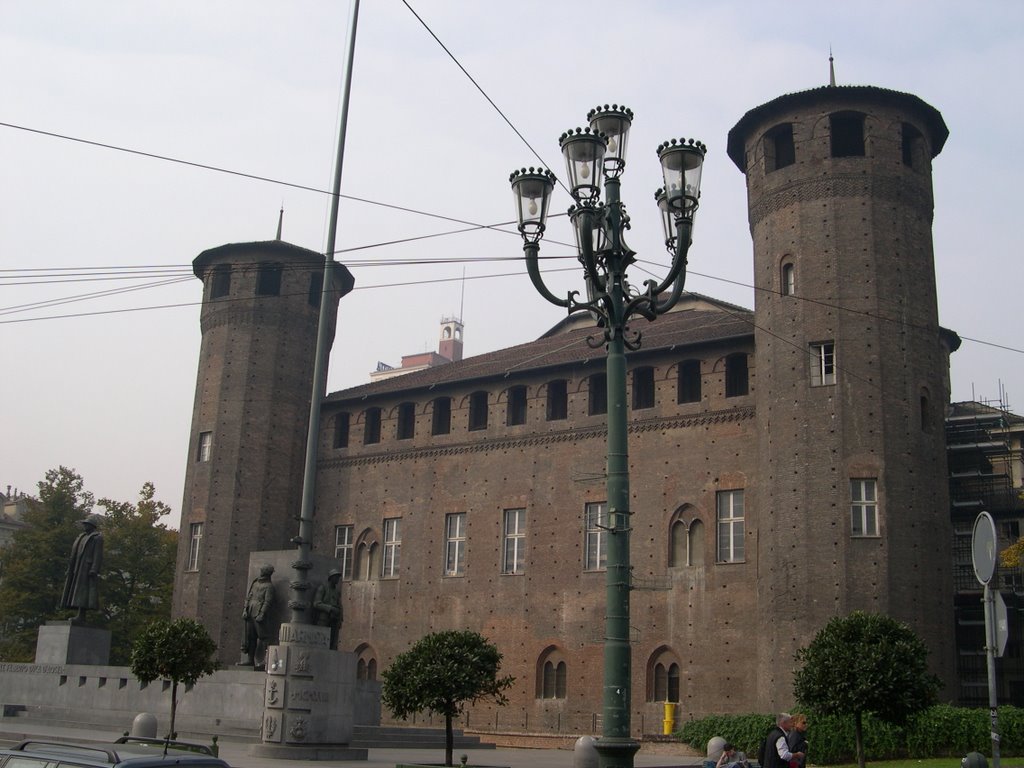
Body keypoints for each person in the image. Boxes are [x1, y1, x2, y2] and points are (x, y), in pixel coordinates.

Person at [60, 515, 103, 623]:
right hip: (77, 567)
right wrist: (70, 567)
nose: (84, 526)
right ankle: (77, 613)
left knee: (83, 593)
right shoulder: (81, 537)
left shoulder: (97, 538)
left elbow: (98, 555)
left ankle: (81, 615)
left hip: (86, 568)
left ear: (92, 526)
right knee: (74, 591)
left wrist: (94, 568)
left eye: (86, 524)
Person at [240, 564, 275, 669]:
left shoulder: (269, 586)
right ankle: (250, 660)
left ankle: (267, 660)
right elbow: (248, 597)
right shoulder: (255, 583)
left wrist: (262, 613)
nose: (261, 572)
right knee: (250, 637)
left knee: (264, 638)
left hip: (259, 614)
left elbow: (268, 602)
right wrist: (245, 609)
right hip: (250, 612)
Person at [312, 569, 343, 649]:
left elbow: (339, 605)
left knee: (333, 643)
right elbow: (316, 603)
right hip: (324, 619)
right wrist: (330, 608)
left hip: (334, 619)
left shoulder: (337, 592)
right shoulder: (323, 588)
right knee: (322, 642)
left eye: (338, 578)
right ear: (331, 578)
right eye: (336, 577)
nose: (337, 580)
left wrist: (340, 619)